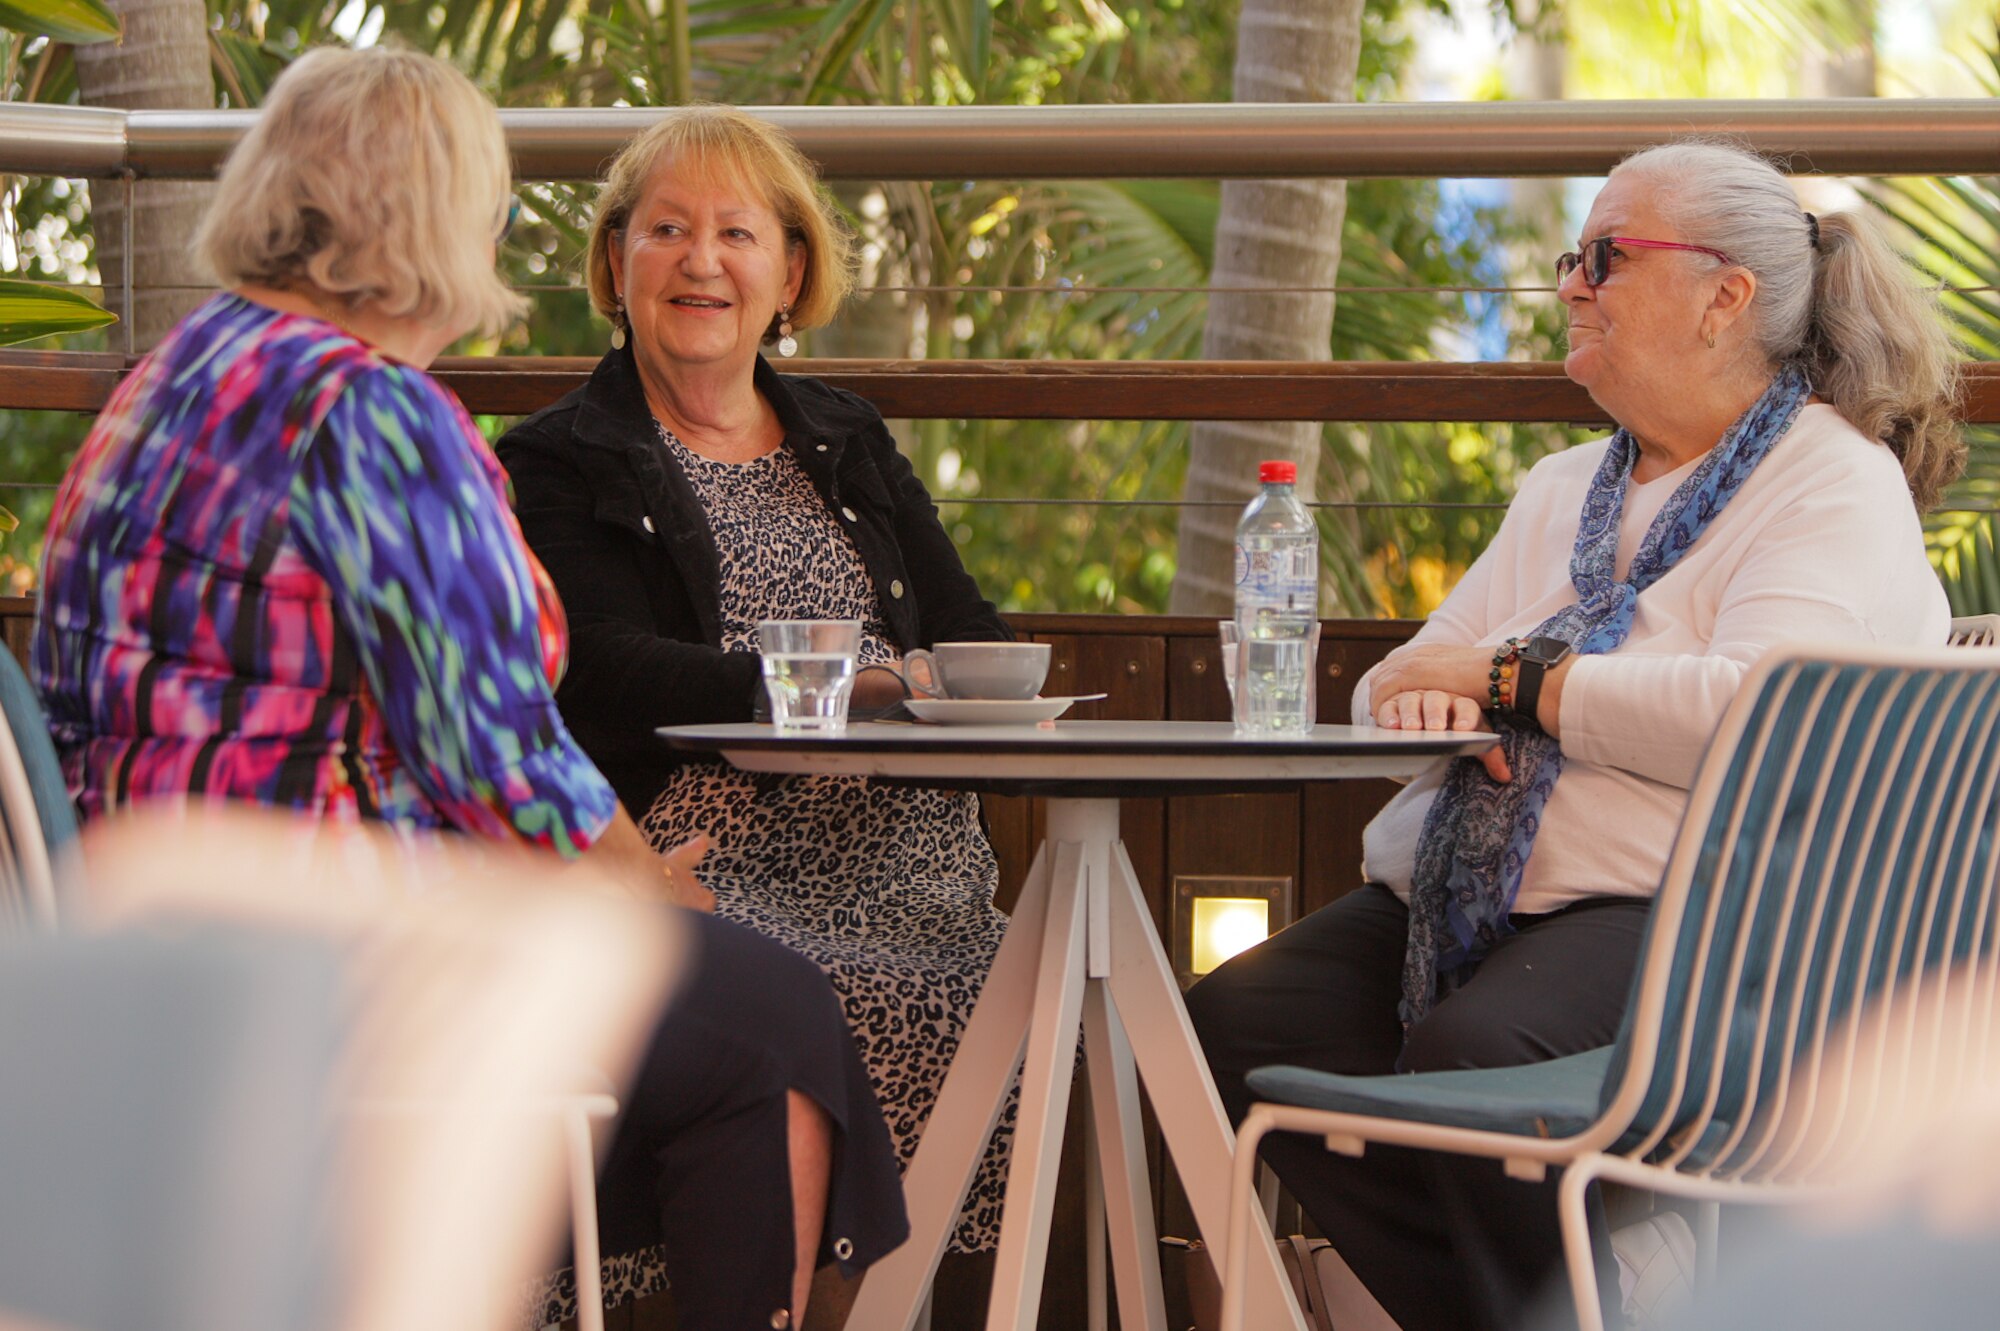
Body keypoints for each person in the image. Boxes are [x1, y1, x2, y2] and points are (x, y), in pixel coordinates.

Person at [29, 48, 905, 1330]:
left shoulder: (174, 375)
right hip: (312, 952)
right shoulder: (370, 414)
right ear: (443, 218)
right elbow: (497, 751)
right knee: (770, 1017)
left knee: (739, 1003)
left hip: (130, 939)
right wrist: (630, 885)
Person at [1187, 137, 1962, 1331]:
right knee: (1244, 1016)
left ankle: (1570, 1293)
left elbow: (1754, 715)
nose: (1569, 285)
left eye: (1606, 255)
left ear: (1723, 297)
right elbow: (1392, 679)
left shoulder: (1826, 482)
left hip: (1711, 916)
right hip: (1472, 900)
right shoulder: (1563, 486)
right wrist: (1440, 694)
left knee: (1469, 1057)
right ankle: (1589, 1297)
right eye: (1572, 256)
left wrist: (1515, 681)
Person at [496, 105, 1018, 1258]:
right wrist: (849, 687)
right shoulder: (555, 457)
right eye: (665, 229)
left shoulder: (848, 435)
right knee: (813, 1012)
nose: (699, 259)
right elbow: (603, 672)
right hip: (700, 860)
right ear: (613, 264)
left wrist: (926, 674)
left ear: (788, 272)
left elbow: (966, 624)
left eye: (735, 233)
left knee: (1025, 1002)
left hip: (912, 865)